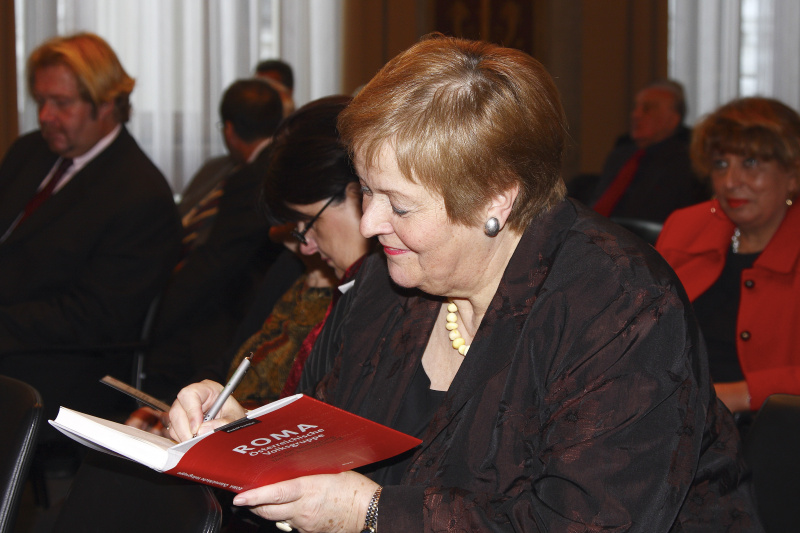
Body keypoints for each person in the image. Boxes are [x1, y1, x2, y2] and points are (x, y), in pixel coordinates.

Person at [168, 35, 761, 532]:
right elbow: (329, 439)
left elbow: (583, 523)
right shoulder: (388, 284)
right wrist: (243, 439)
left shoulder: (620, 305)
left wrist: (370, 514)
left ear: (495, 199)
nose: (372, 225)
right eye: (365, 192)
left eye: (399, 204)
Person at [0, 32, 181, 424]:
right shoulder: (29, 151)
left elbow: (94, 316)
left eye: (61, 103)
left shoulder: (139, 192)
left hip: (57, 363)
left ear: (107, 105)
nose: (45, 116)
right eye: (41, 101)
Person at [139, 78, 285, 402]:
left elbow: (216, 263)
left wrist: (155, 319)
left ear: (229, 129)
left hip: (234, 317)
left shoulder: (254, 176)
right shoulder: (227, 169)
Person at [656, 97, 800, 421]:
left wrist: (740, 394)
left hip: (778, 437)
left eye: (750, 163)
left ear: (792, 173)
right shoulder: (687, 226)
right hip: (678, 425)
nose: (731, 181)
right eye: (721, 164)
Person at [589, 79, 707, 222]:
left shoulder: (686, 163)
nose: (635, 115)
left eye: (647, 108)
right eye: (635, 107)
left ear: (672, 120)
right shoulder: (619, 155)